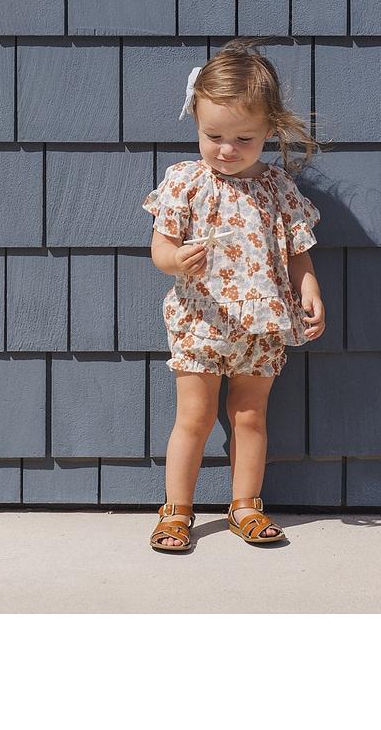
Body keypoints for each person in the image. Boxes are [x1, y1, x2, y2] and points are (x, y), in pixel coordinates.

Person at [142, 37, 326, 551]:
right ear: (196, 123)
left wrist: (309, 287)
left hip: (261, 324)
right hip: (201, 320)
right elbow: (160, 247)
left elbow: (297, 251)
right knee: (195, 417)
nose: (226, 149)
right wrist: (176, 259)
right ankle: (177, 510)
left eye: (243, 138)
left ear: (270, 130)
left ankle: (245, 505)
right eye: (213, 135)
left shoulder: (278, 189)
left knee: (249, 415)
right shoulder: (185, 182)